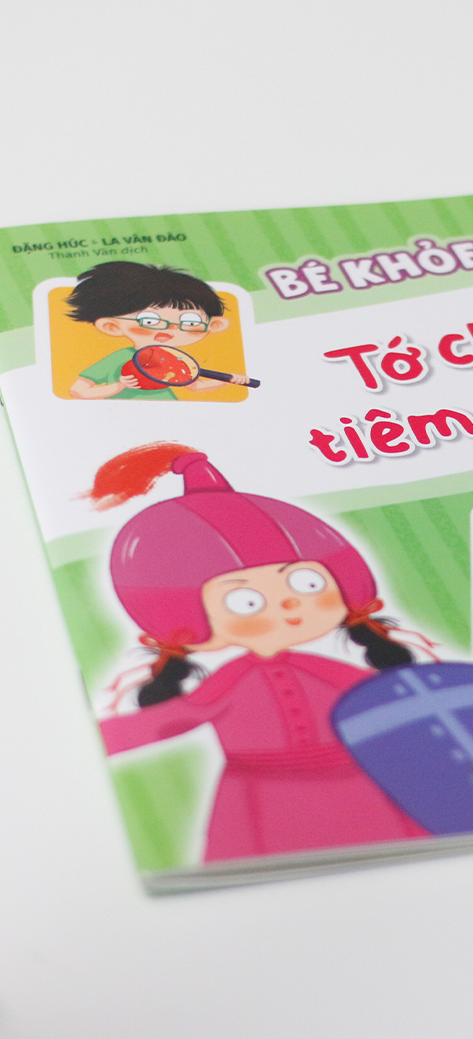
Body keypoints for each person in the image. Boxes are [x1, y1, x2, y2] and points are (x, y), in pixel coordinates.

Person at [90, 441, 429, 862]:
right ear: (192, 623)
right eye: (245, 601)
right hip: (264, 799)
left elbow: (389, 701)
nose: (288, 604)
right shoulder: (231, 683)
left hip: (357, 784)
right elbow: (172, 719)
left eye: (306, 583)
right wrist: (93, 742)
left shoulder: (325, 672)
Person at [67, 262, 247, 399]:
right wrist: (119, 386)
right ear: (112, 326)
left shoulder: (176, 359)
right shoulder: (120, 357)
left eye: (190, 322)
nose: (171, 328)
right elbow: (78, 391)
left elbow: (196, 386)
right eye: (150, 321)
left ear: (213, 325)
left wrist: (228, 380)